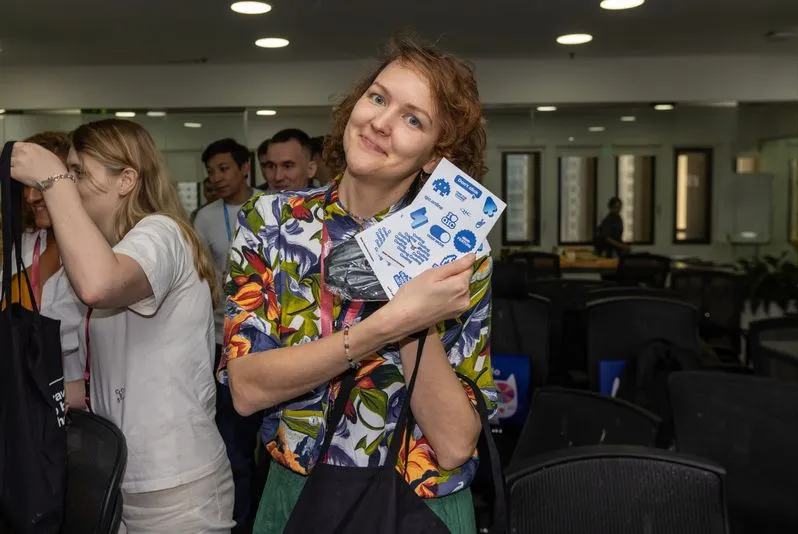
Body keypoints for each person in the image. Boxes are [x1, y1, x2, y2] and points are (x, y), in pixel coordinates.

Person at [219, 37, 496, 534]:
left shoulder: (461, 255)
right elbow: (246, 388)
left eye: (414, 119)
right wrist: (392, 321)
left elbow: (455, 443)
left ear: (436, 156)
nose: (382, 122)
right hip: (299, 490)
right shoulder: (271, 221)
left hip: (417, 500)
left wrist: (418, 320)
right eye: (378, 98)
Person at [9, 118, 234, 533]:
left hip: (175, 485)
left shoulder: (162, 234)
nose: (70, 183)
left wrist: (53, 180)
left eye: (78, 173)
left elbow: (99, 285)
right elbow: (103, 383)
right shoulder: (103, 255)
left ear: (126, 179)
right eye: (68, 172)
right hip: (115, 476)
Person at [193, 137, 261, 534]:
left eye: (223, 169)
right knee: (234, 444)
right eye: (211, 171)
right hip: (224, 337)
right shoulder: (204, 218)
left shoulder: (269, 207)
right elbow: (200, 278)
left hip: (270, 337)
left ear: (243, 169)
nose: (216, 177)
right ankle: (240, 524)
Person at [6, 131, 87, 410]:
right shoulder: (26, 242)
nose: (30, 196)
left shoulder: (99, 248)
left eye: (40, 184)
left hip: (83, 399)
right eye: (25, 186)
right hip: (25, 395)